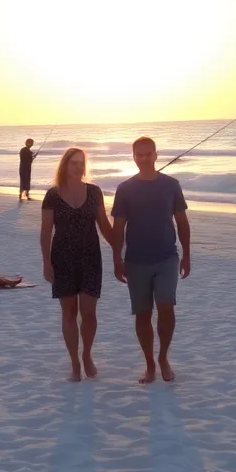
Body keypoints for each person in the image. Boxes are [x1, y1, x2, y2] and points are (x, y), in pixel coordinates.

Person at [111, 136, 191, 384]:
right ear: (133, 157)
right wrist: (117, 258)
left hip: (167, 256)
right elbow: (118, 229)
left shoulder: (171, 185)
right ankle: (149, 364)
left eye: (148, 154)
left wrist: (187, 254)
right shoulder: (125, 189)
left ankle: (164, 358)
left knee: (166, 308)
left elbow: (182, 221)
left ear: (156, 155)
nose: (144, 159)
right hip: (136, 260)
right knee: (143, 315)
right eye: (139, 155)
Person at [41, 148, 117, 382]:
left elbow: (104, 224)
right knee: (69, 312)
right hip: (62, 258)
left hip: (91, 257)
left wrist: (119, 248)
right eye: (73, 163)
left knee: (89, 313)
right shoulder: (52, 195)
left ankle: (86, 355)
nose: (78, 167)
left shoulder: (94, 192)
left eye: (81, 163)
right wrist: (46, 263)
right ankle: (74, 362)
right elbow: (45, 231)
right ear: (65, 165)